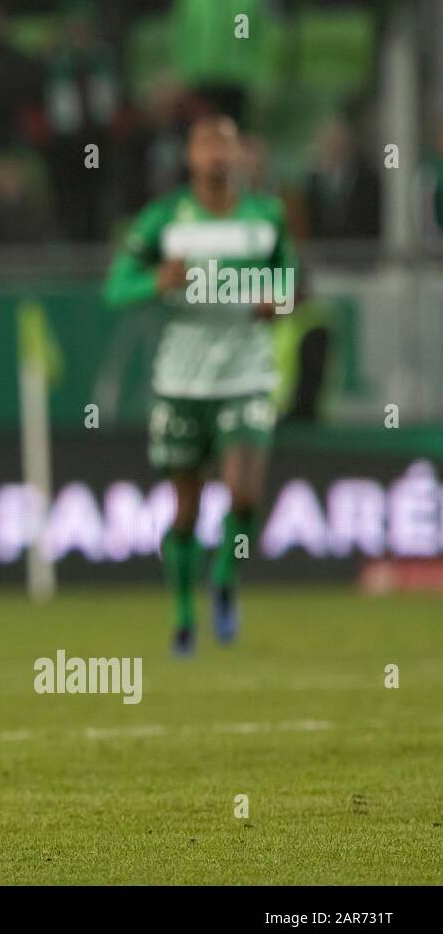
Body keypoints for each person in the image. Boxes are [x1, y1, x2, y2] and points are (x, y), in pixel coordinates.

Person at [103, 115, 295, 654]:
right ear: (189, 156)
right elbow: (115, 290)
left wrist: (276, 301)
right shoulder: (165, 219)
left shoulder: (266, 217)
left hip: (247, 375)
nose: (216, 155)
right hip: (182, 382)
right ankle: (184, 615)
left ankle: (226, 581)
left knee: (245, 495)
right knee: (185, 511)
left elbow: (290, 284)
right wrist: (153, 281)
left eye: (226, 146)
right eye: (205, 144)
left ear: (241, 158)